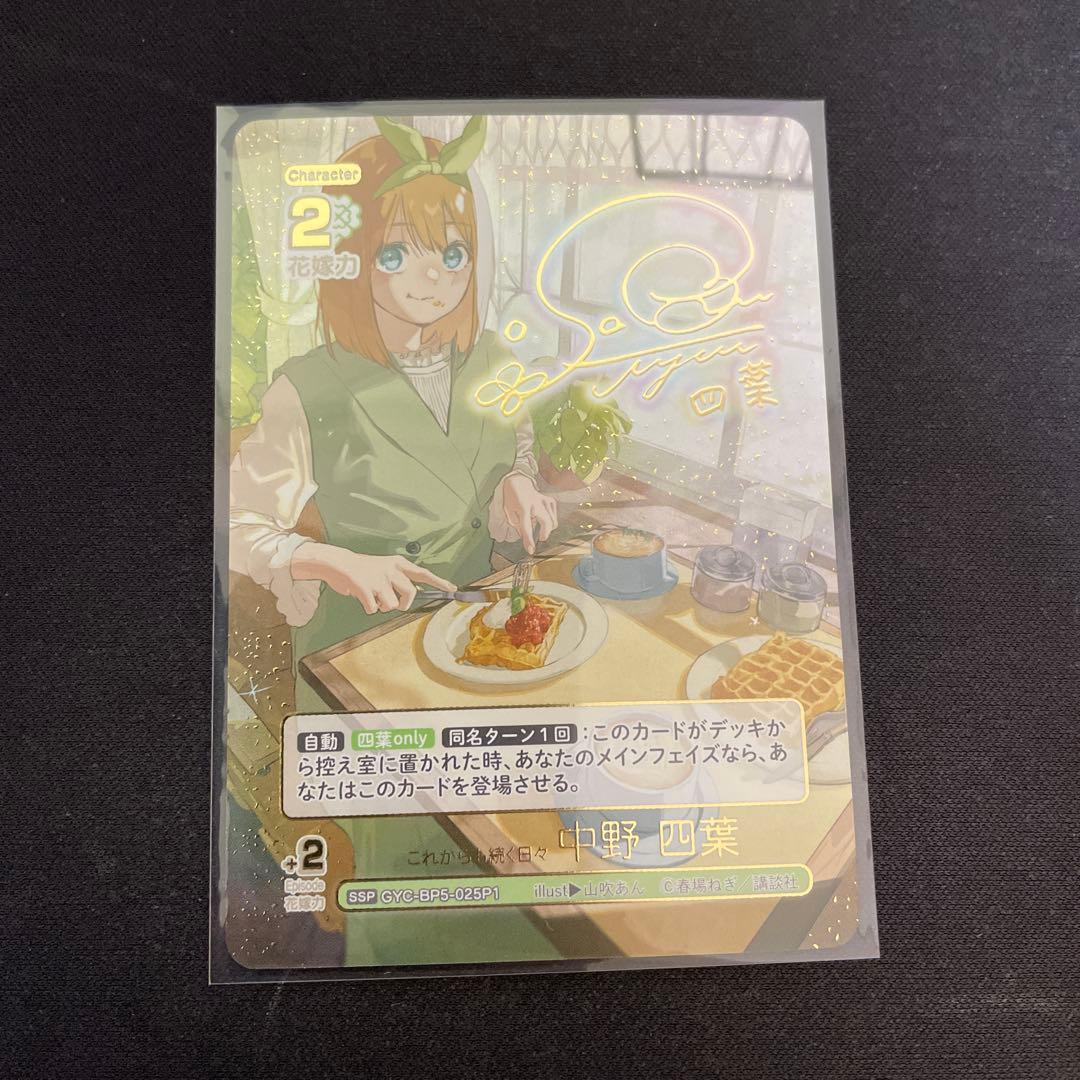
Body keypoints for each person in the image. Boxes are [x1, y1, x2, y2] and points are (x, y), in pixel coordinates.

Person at [228, 116, 562, 966]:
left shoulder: (492, 359)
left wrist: (517, 486)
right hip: (362, 664)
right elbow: (238, 524)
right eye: (395, 252)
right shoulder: (308, 389)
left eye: (452, 252)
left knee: (527, 836)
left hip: (480, 642)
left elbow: (511, 456)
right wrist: (329, 558)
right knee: (419, 868)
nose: (432, 276)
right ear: (352, 260)